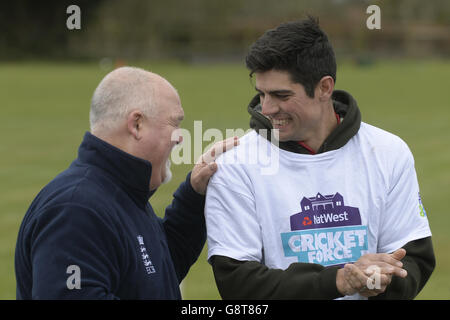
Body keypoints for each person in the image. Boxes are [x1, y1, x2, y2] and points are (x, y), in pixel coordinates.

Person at [205, 17, 435, 299]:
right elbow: (238, 283)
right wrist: (338, 281)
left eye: (281, 95)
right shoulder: (234, 165)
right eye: (262, 94)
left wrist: (381, 281)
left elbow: (415, 258)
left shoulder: (388, 151)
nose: (266, 108)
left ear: (325, 88)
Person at [15, 66, 238, 299]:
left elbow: (156, 275)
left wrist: (193, 195)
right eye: (174, 123)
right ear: (136, 125)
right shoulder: (76, 211)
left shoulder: (120, 194)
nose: (181, 137)